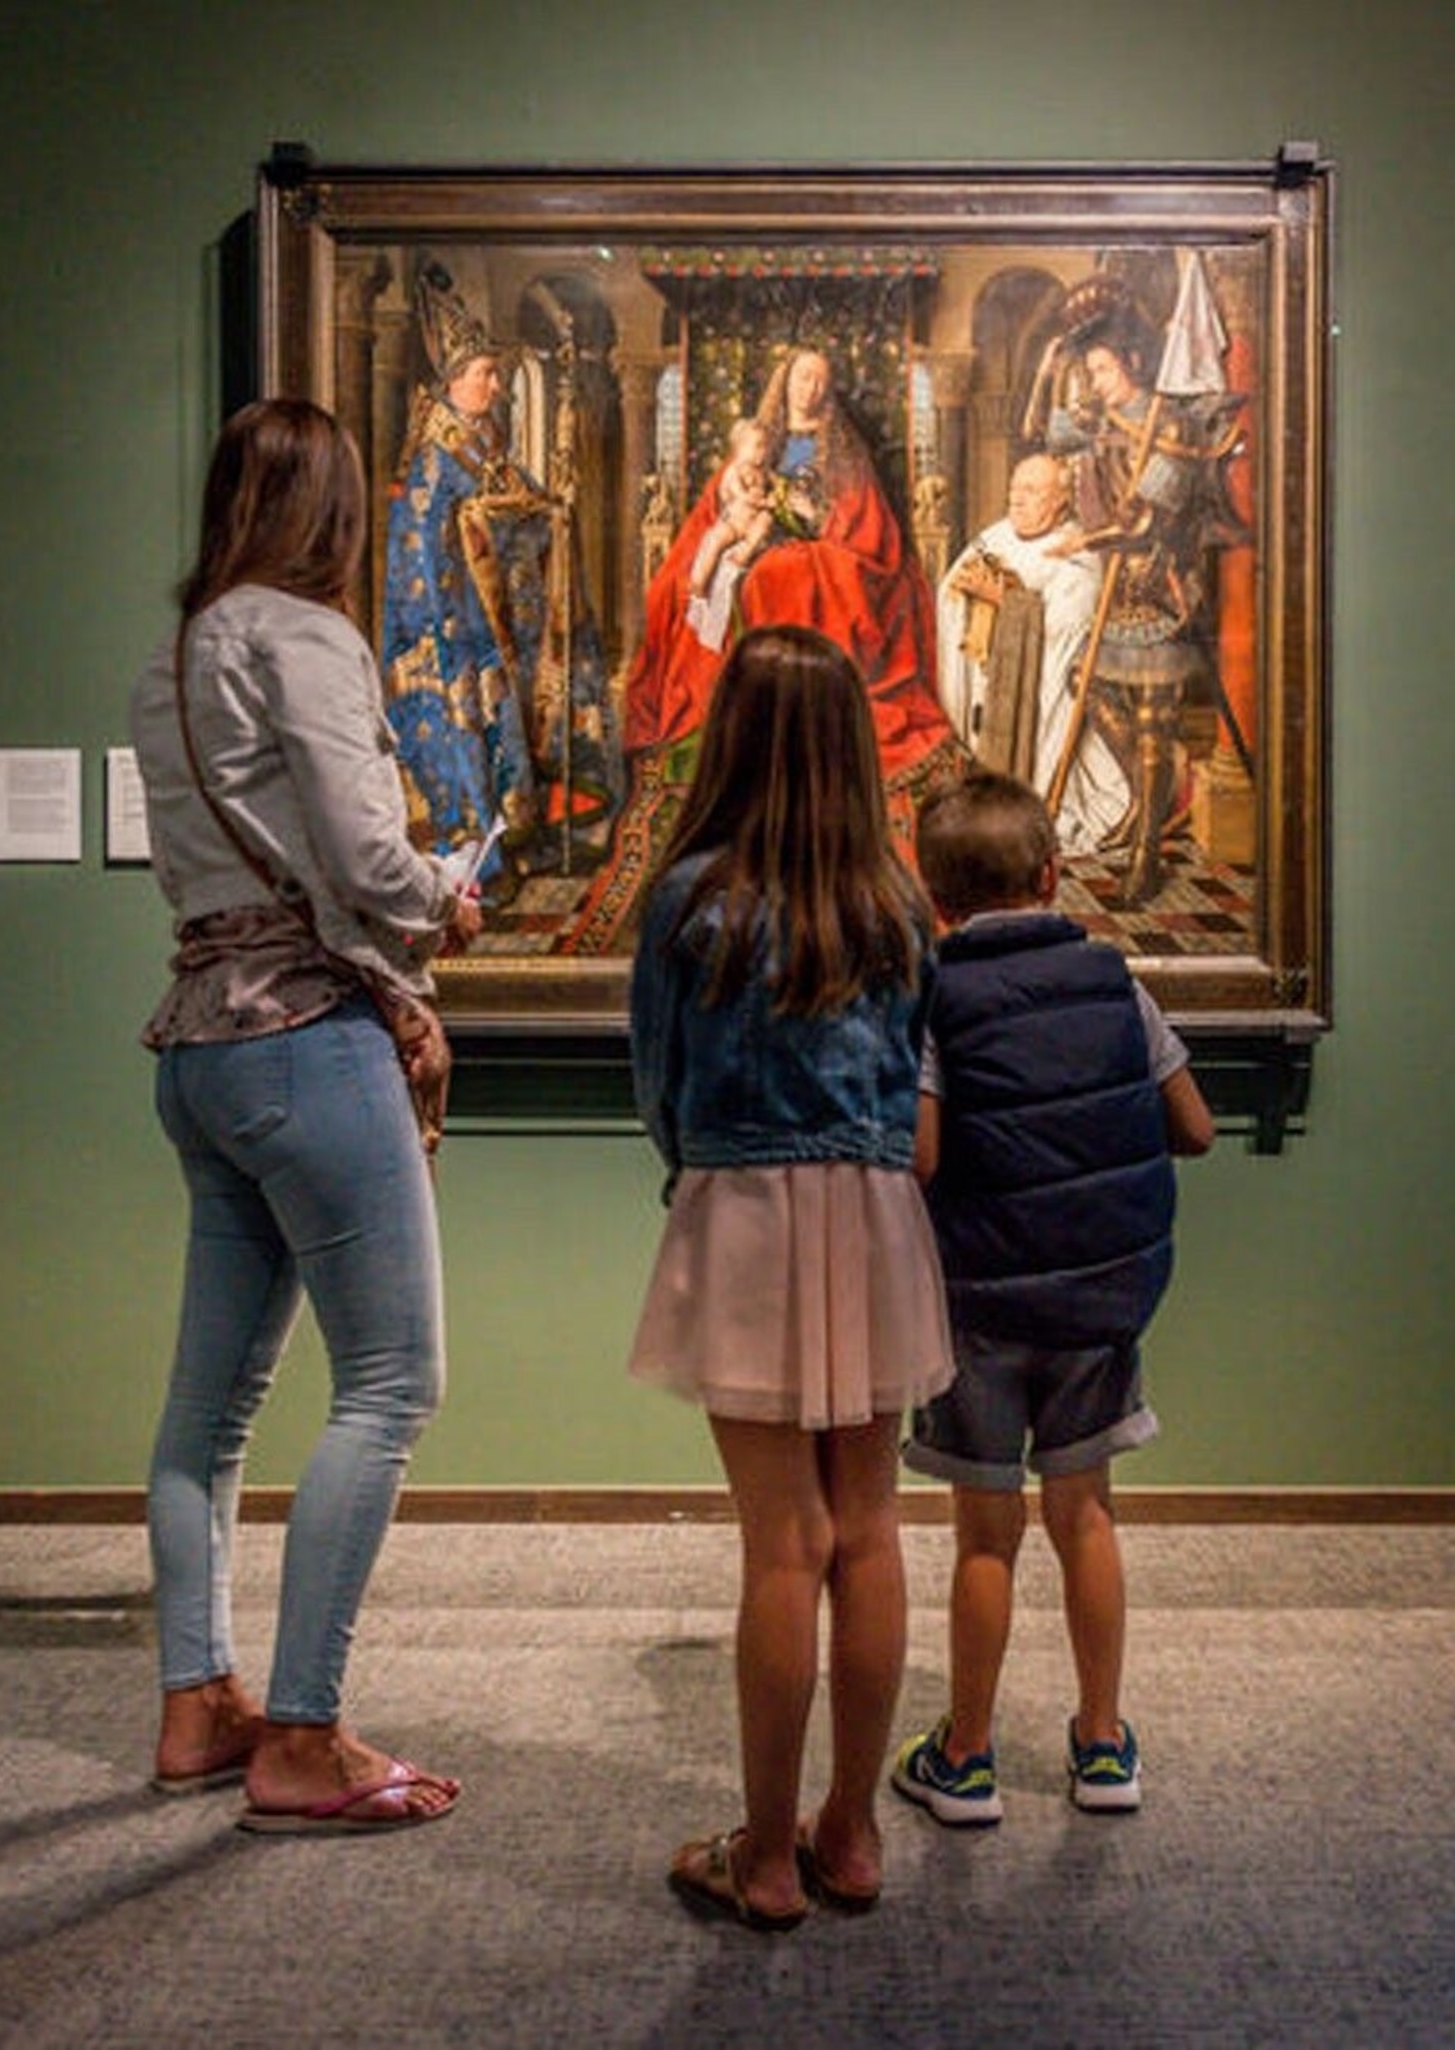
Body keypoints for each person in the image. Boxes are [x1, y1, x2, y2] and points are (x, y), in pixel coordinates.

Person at [127, 397, 482, 1834]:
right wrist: (438, 897)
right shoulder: (309, 635)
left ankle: (195, 1704)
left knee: (206, 1417)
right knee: (395, 1380)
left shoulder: (170, 659)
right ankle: (303, 1734)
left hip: (202, 1046)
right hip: (305, 1045)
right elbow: (360, 848)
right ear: (332, 514)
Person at [624, 624, 953, 1929]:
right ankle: (852, 1829)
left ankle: (764, 1855)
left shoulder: (695, 895)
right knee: (867, 1528)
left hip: (749, 1206)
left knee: (783, 1539)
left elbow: (657, 1073)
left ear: (737, 734)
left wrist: (697, 1160)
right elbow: (920, 1060)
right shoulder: (894, 899)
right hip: (873, 1212)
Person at [887, 771, 1213, 1828]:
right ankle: (1103, 1742)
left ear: (932, 897)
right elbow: (1194, 1126)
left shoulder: (933, 995)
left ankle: (968, 1758)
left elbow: (924, 1152)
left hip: (978, 1305)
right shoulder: (1118, 985)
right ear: (1052, 872)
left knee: (986, 1536)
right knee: (1088, 1514)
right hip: (1099, 1301)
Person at [558, 346, 965, 952]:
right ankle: (749, 694)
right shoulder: (761, 438)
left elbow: (860, 523)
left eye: (820, 379)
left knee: (785, 574)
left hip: (813, 547)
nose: (809, 387)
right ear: (786, 381)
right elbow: (722, 502)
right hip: (758, 534)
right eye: (802, 375)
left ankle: (792, 686)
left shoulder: (843, 447)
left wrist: (809, 524)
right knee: (731, 572)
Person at [380, 269, 620, 885]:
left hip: (497, 624)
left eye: (494, 373)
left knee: (513, 722)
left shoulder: (484, 446)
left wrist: (553, 515)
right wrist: (447, 628)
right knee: (472, 737)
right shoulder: (435, 459)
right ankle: (477, 862)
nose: (494, 383)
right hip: (453, 631)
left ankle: (514, 840)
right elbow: (419, 553)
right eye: (484, 374)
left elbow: (523, 502)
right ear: (453, 383)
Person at [1029, 292, 1248, 905]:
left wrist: (1084, 536)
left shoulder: (1169, 424)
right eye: (1090, 372)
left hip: (1159, 589)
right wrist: (1051, 373)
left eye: (1102, 370)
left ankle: (1148, 854)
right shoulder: (1102, 420)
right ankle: (1149, 798)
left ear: (1131, 360)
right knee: (1088, 685)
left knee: (1154, 721)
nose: (1095, 382)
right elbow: (1039, 434)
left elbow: (1149, 523)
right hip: (1114, 589)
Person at [930, 452, 1122, 854]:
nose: (1016, 499)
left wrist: (1003, 600)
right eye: (1015, 488)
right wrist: (966, 591)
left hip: (1041, 699)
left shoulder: (1076, 556)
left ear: (1061, 502)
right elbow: (950, 590)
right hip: (985, 683)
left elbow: (1062, 631)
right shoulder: (996, 536)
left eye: (1031, 491)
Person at [681, 416, 790, 650]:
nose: (761, 453)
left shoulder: (765, 473)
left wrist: (775, 498)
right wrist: (751, 497)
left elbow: (776, 491)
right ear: (741, 448)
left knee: (765, 522)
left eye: (765, 447)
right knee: (714, 540)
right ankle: (699, 582)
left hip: (751, 524)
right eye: (756, 446)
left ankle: (745, 552)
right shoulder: (734, 471)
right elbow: (735, 492)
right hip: (733, 522)